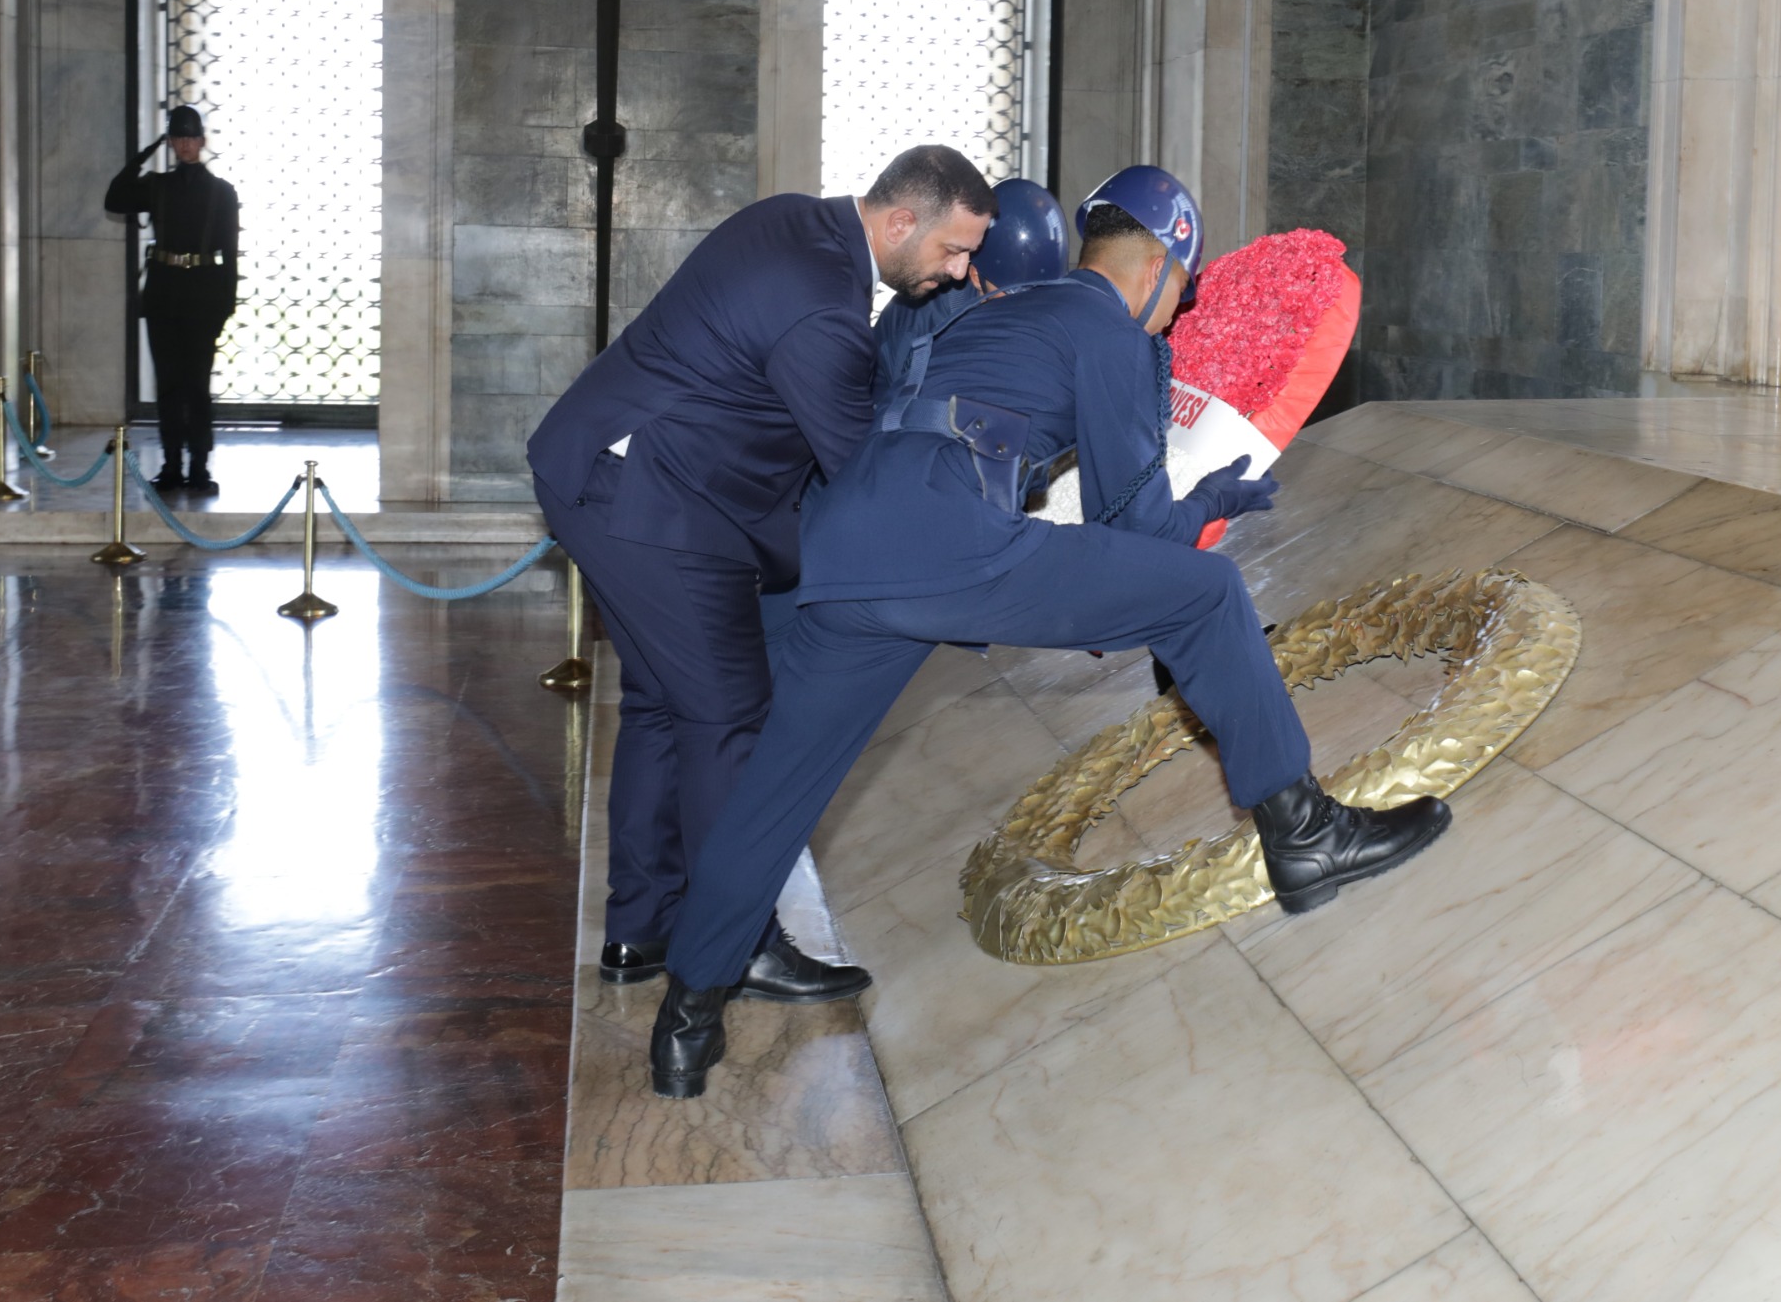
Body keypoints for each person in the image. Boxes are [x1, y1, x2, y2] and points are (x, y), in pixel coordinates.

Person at [645, 166, 1451, 1099]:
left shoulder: (1002, 313)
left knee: (775, 793)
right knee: (1206, 594)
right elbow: (1133, 526)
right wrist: (1212, 501)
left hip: (843, 549)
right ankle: (1306, 834)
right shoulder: (1108, 329)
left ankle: (685, 1022)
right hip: (950, 542)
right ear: (1157, 266)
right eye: (1181, 292)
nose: (1176, 315)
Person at [528, 145, 996, 1004]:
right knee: (733, 716)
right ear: (901, 223)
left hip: (605, 466)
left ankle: (641, 929)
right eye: (953, 252)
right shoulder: (823, 307)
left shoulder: (799, 219)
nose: (962, 273)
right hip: (648, 502)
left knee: (662, 705)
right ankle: (736, 942)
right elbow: (856, 472)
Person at [104, 104, 240, 494]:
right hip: (163, 293)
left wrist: (224, 307)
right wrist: (146, 152)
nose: (184, 144)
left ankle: (198, 466)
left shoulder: (222, 192)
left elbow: (230, 254)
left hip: (202, 294)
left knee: (196, 384)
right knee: (168, 385)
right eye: (177, 138)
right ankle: (170, 465)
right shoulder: (157, 186)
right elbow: (114, 198)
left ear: (201, 141)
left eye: (190, 137)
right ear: (172, 141)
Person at [871, 176, 1070, 397]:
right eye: (1015, 295)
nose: (1028, 306)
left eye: (1040, 293)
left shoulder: (1062, 313)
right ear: (976, 276)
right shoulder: (922, 328)